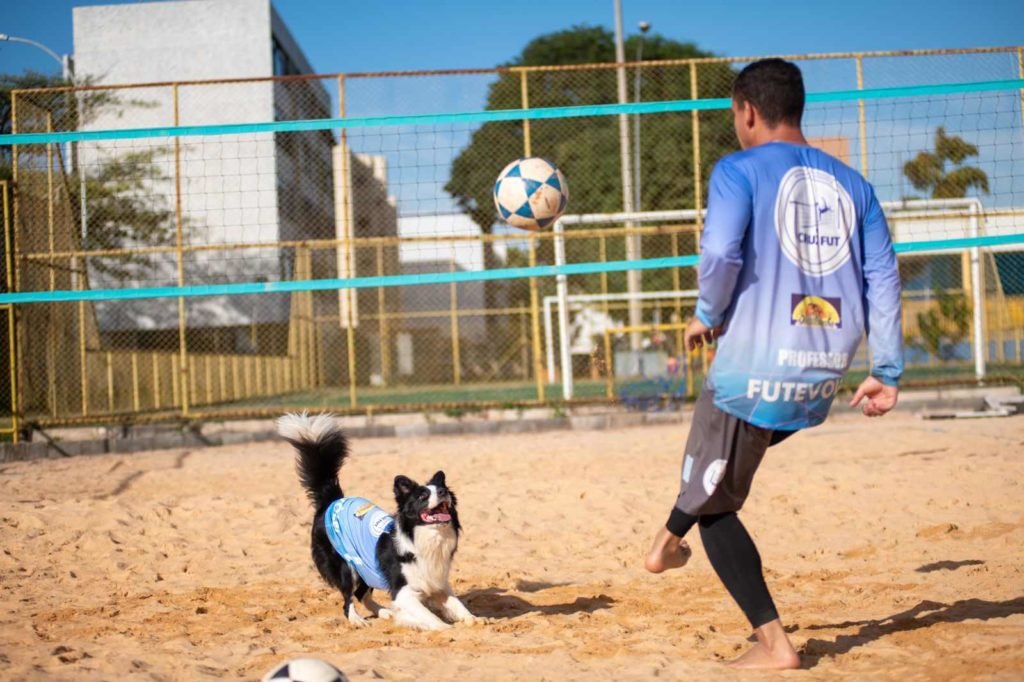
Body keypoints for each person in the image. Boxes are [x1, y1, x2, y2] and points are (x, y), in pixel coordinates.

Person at [643, 58, 903, 670]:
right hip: (821, 376)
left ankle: (773, 646)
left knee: (718, 505)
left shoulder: (737, 169)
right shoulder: (856, 186)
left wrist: (707, 312)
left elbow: (722, 250)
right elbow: (883, 278)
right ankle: (663, 541)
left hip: (751, 371)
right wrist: (886, 370)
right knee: (720, 465)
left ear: (748, 111)